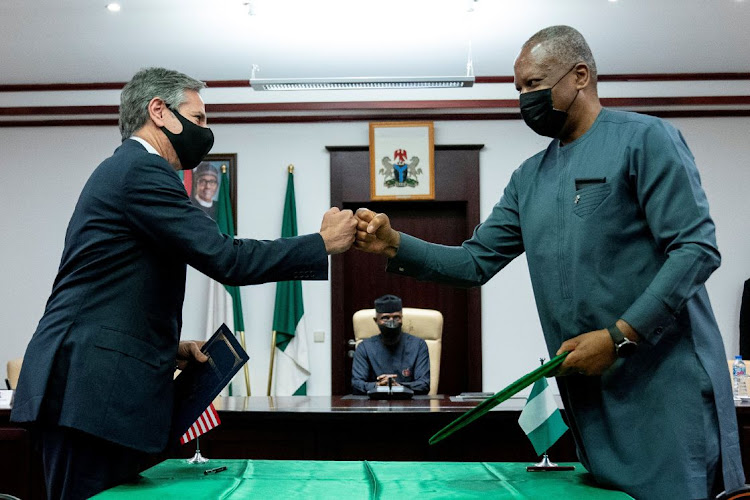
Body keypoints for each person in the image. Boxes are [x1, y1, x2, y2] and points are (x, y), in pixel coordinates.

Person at [354, 26, 745, 500]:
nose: (524, 99)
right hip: (590, 400)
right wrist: (396, 243)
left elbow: (696, 248)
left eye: (534, 84)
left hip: (665, 394)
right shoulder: (528, 179)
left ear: (579, 75)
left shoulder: (646, 139)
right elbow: (474, 262)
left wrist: (621, 336)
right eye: (518, 88)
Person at [10, 67, 357, 499]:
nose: (206, 132)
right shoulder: (141, 171)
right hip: (90, 393)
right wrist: (320, 243)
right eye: (198, 119)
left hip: (96, 390)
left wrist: (165, 347)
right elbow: (227, 258)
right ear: (159, 111)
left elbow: (108, 291)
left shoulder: (128, 172)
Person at [351, 294, 430, 395]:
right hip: (374, 405)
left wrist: (397, 386)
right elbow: (356, 384)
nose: (391, 322)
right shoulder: (365, 347)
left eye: (396, 317)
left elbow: (424, 384)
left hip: (409, 405)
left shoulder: (418, 345)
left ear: (402, 318)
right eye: (385, 318)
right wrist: (378, 386)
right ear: (376, 321)